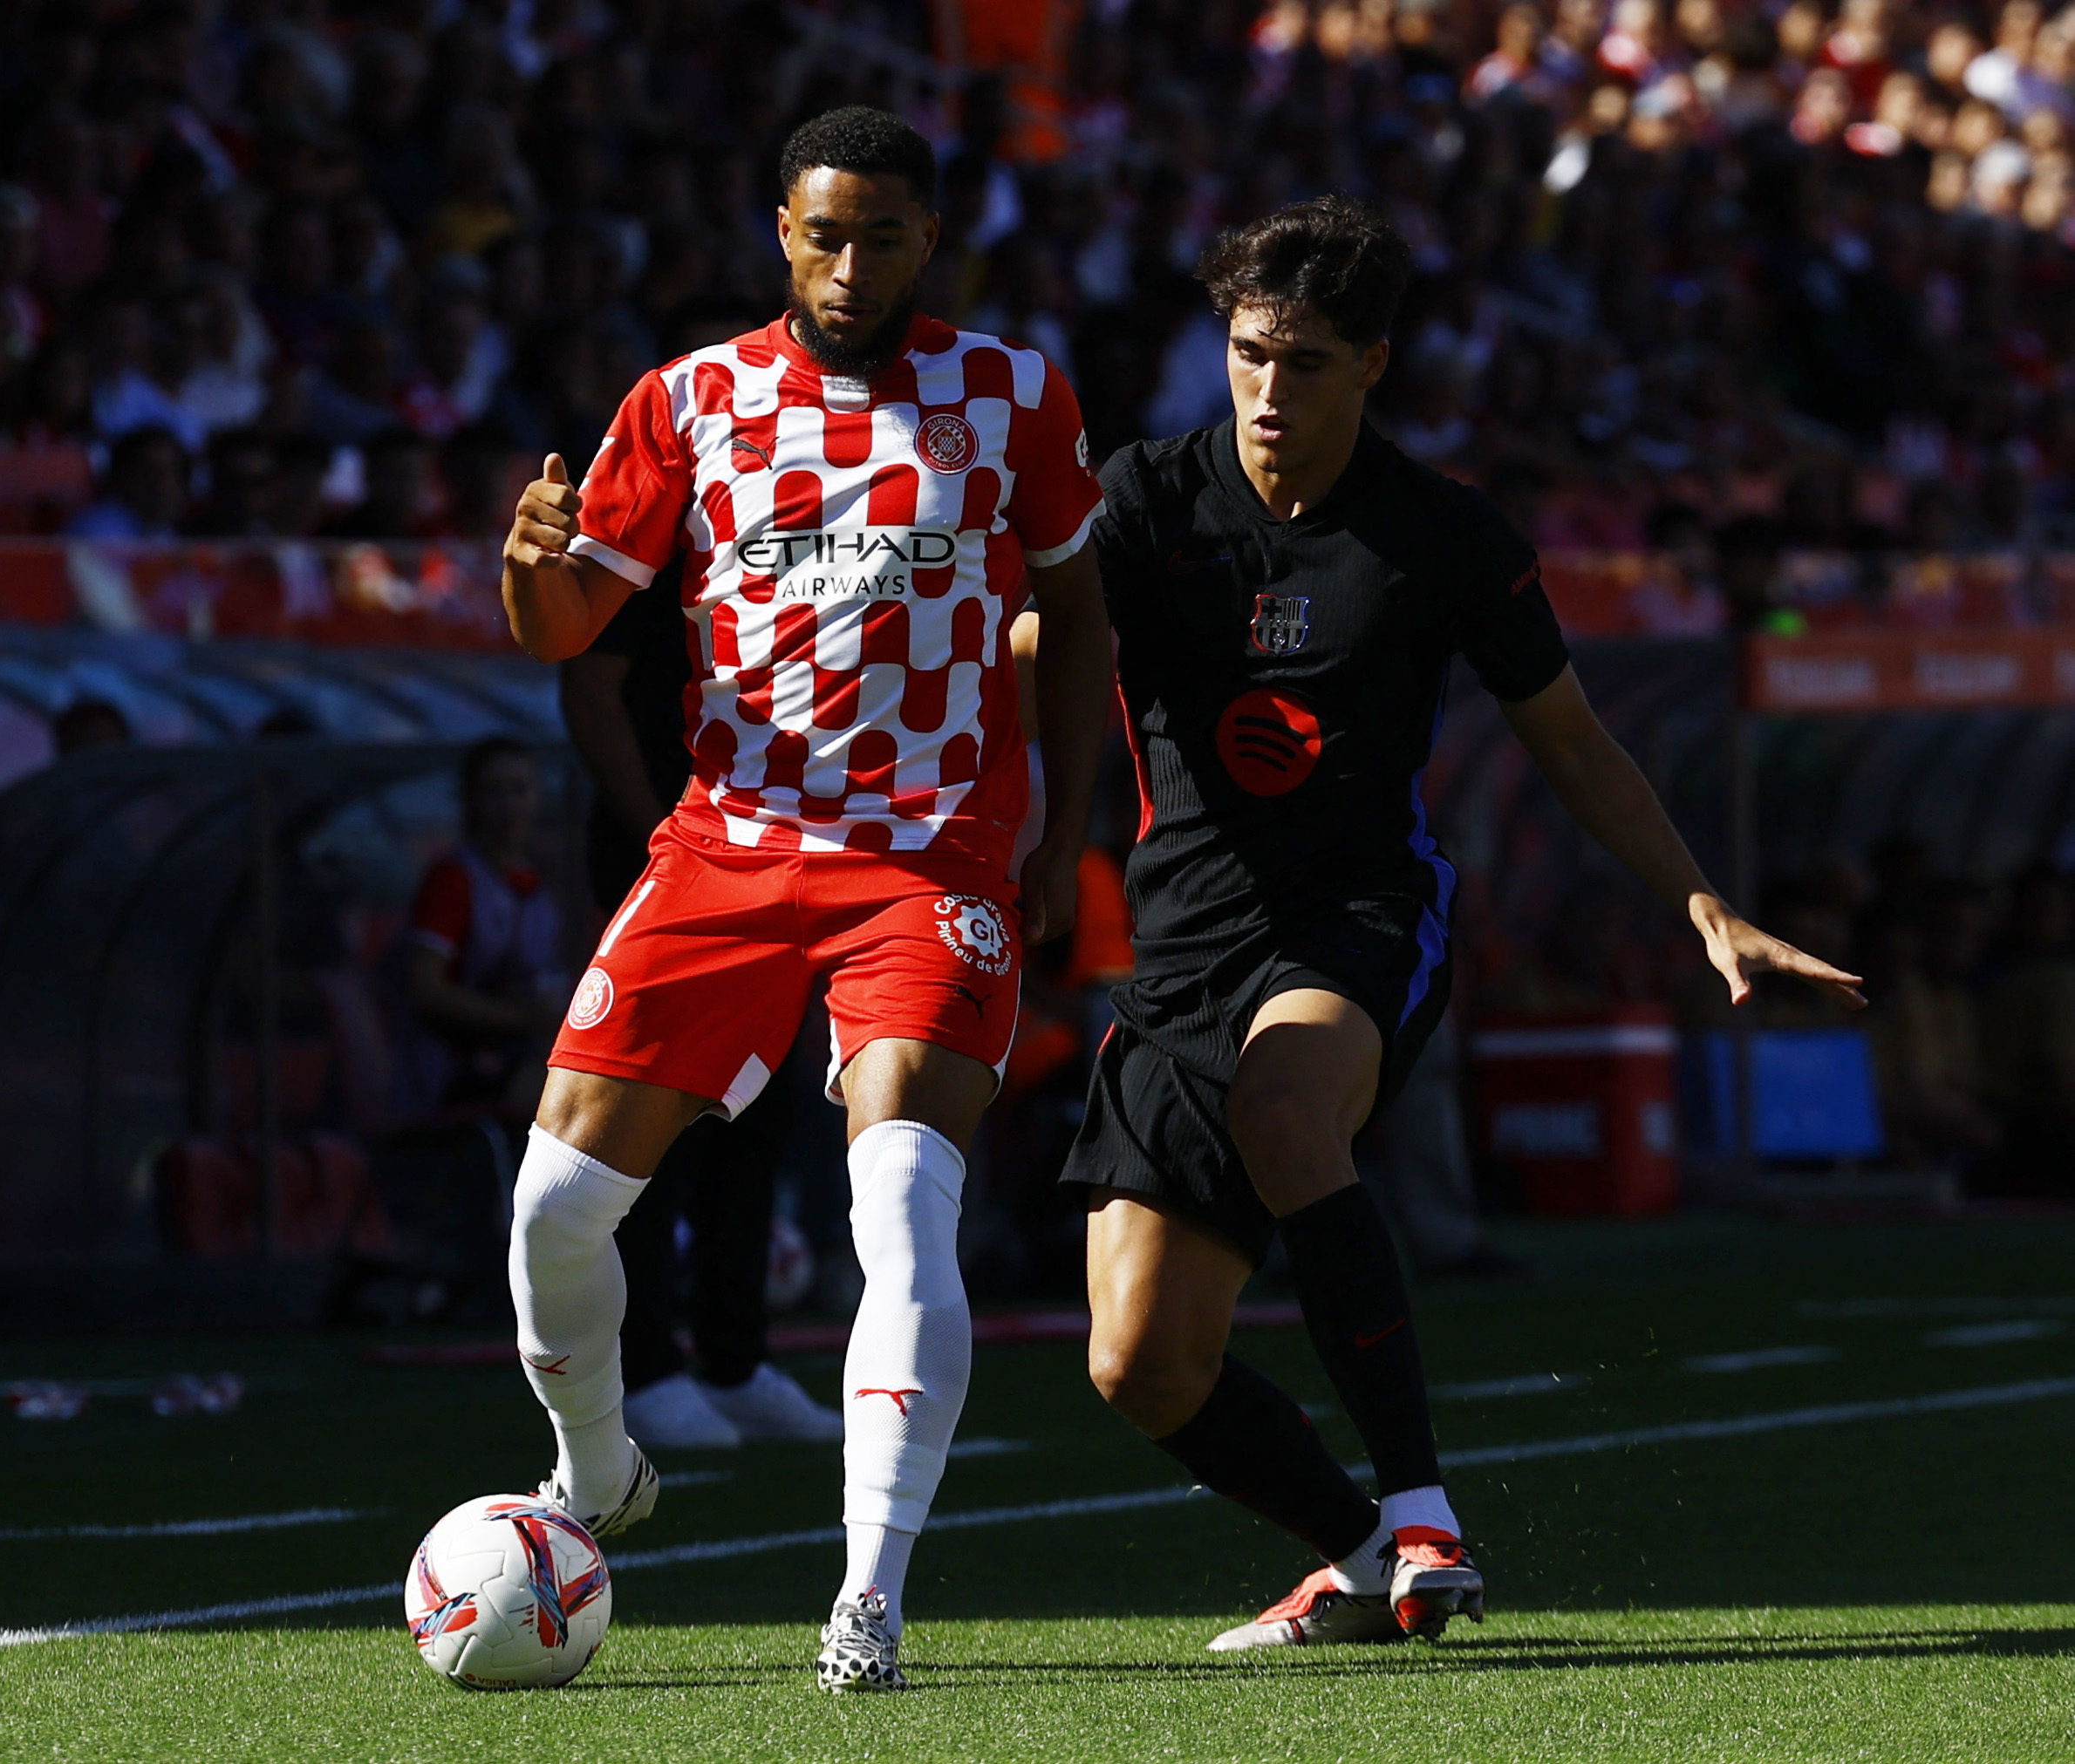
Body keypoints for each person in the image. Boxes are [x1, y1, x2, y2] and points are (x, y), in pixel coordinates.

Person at [1058, 197, 1864, 1653]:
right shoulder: (1142, 501)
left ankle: (1422, 1503)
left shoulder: (1442, 536)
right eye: (1245, 353)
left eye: (1302, 361)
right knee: (1139, 1362)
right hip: (1178, 948)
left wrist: (1702, 904)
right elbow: (1027, 656)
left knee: (1286, 1101)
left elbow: (1569, 739)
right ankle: (1361, 1555)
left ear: (1371, 364)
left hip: (1357, 919)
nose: (1264, 389)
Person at [497, 106, 1112, 1692]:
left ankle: (871, 1594)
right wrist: (526, 563)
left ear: (931, 240)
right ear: (780, 227)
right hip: (732, 844)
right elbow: (569, 630)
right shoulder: (689, 399)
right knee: (554, 1211)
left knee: (900, 1208)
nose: (852, 266)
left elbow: (1077, 612)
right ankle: (594, 1469)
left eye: (884, 236)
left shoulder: (1013, 393)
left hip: (928, 858)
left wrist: (1062, 823)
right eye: (825, 233)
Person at [559, 461, 841, 1452]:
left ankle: (733, 1356)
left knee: (753, 1118)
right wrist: (663, 850)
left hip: (775, 864)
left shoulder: (794, 547)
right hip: (676, 867)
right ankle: (644, 1369)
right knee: (640, 1120)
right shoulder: (661, 542)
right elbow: (590, 690)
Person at [406, 737, 572, 1119]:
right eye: (494, 791)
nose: (509, 807)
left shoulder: (539, 883)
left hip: (520, 1054)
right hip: (453, 1072)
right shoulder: (454, 880)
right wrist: (526, 1019)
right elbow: (426, 988)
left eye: (520, 790)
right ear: (470, 800)